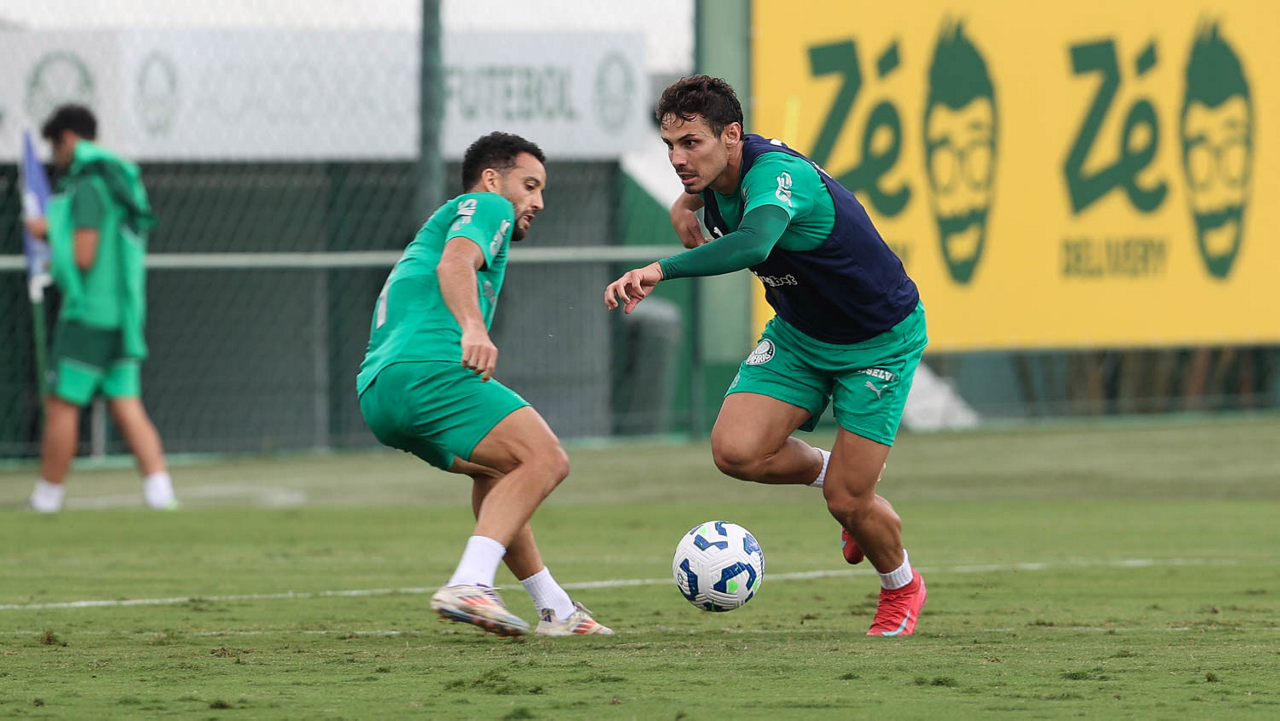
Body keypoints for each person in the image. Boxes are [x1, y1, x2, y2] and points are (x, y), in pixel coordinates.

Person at [605, 76, 928, 636]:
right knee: (735, 452)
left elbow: (754, 242)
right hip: (800, 336)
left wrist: (660, 269)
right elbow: (705, 193)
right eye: (670, 146)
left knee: (849, 502)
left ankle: (901, 586)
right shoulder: (713, 175)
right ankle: (839, 478)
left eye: (691, 143)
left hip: (878, 341)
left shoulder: (780, 175)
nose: (678, 159)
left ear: (732, 135)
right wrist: (684, 203)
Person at [357, 132, 611, 638]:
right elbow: (455, 262)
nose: (539, 202)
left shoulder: (446, 221)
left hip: (379, 391)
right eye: (530, 186)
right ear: (493, 179)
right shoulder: (488, 205)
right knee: (546, 459)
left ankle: (556, 609)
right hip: (427, 370)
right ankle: (469, 582)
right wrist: (473, 328)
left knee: (501, 472)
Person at [24, 105, 176, 513]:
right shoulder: (116, 177)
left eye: (55, 148)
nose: (55, 158)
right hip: (123, 316)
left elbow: (84, 254)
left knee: (61, 404)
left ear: (68, 138)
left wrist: (47, 234)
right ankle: (160, 492)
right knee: (125, 402)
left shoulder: (89, 184)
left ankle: (47, 496)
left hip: (89, 314)